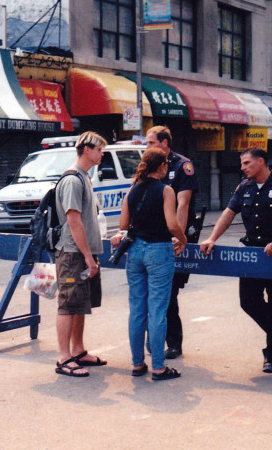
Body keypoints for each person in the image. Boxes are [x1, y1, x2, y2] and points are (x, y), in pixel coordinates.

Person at [200, 147, 272, 373]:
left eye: (247, 163)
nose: (242, 167)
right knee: (248, 301)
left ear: (261, 162)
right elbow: (228, 214)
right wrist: (211, 238)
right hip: (251, 253)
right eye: (242, 163)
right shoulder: (244, 187)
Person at [111, 148, 187, 380]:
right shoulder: (166, 190)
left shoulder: (132, 190)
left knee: (137, 310)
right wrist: (182, 239)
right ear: (162, 166)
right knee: (157, 311)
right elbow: (172, 224)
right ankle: (158, 367)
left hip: (134, 251)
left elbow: (124, 223)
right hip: (158, 251)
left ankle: (137, 364)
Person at [53, 132, 108, 377]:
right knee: (68, 303)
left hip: (83, 252)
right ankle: (64, 357)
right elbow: (74, 221)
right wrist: (87, 255)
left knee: (80, 303)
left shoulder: (85, 177)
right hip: (73, 252)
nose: (102, 153)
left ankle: (78, 350)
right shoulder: (73, 180)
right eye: (99, 149)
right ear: (87, 149)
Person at [145, 125, 198, 359]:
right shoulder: (149, 165)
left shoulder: (182, 166)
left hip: (174, 234)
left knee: (169, 292)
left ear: (165, 143)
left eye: (150, 143)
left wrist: (177, 236)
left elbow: (183, 204)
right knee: (150, 290)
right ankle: (154, 333)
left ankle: (174, 342)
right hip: (153, 235)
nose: (146, 147)